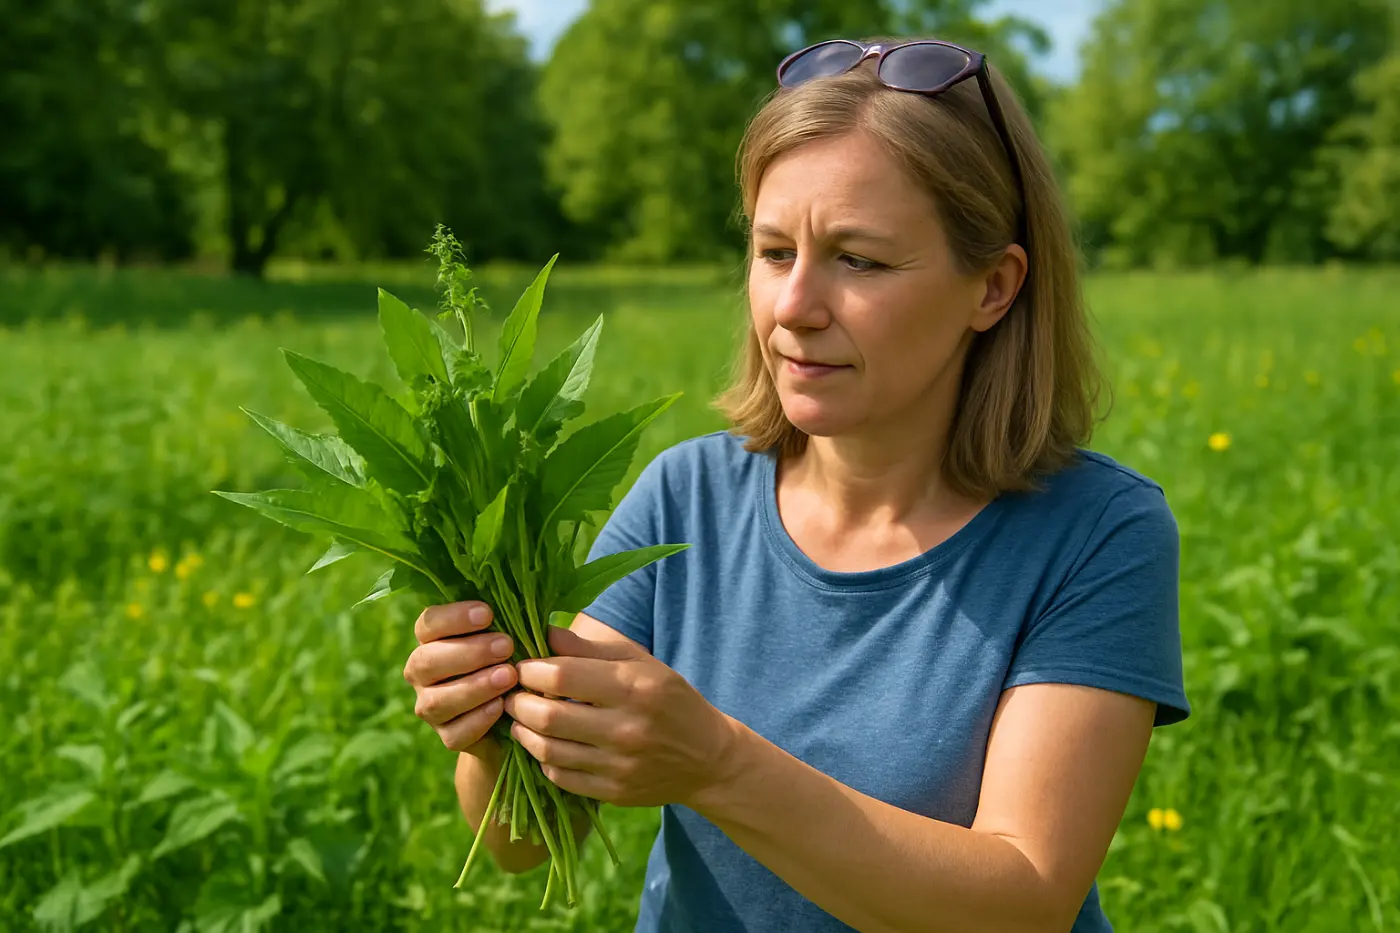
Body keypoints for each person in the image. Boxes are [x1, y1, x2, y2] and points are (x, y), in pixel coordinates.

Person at [402, 36, 1190, 933]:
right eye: (775, 253)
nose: (794, 306)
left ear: (995, 287)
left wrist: (718, 765)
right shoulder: (684, 497)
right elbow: (524, 842)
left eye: (858, 259)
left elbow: (1022, 900)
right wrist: (491, 723)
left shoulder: (1095, 532)